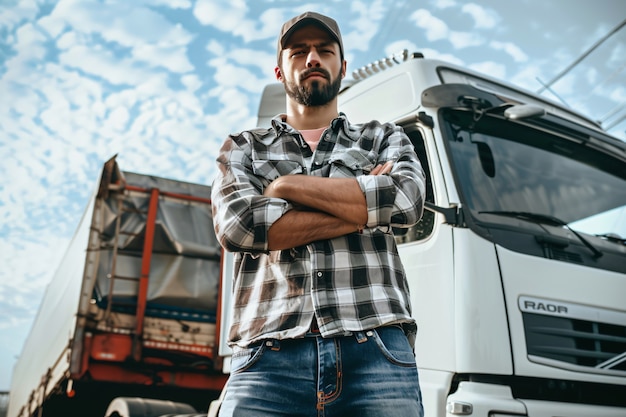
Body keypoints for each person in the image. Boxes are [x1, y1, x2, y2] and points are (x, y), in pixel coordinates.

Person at [211, 10, 425, 417]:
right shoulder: (243, 148)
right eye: (299, 51)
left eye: (325, 51)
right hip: (268, 354)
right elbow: (239, 226)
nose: (312, 59)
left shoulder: (382, 138)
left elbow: (406, 201)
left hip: (377, 346)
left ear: (342, 66)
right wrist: (364, 205)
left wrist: (285, 189)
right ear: (280, 70)